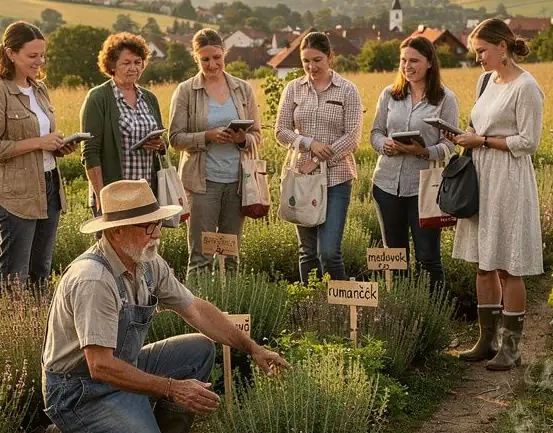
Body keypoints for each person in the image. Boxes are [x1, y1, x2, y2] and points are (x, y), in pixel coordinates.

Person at [42, 179, 288, 433]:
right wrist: (172, 388)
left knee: (199, 348)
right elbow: (99, 366)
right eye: (147, 227)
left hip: (121, 371)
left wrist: (253, 348)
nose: (157, 233)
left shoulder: (146, 263)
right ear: (116, 231)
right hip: (80, 392)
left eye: (157, 223)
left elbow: (196, 309)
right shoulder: (94, 280)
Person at [447, 18, 544, 370]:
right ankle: (486, 340)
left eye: (482, 51)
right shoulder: (486, 80)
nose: (478, 58)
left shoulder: (526, 87)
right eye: (476, 52)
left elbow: (528, 142)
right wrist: (463, 136)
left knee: (507, 265)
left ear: (502, 47)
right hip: (481, 177)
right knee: (482, 263)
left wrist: (483, 141)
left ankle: (512, 347)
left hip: (509, 180)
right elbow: (478, 124)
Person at [0, 21, 67, 293]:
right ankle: (1, 330)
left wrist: (57, 145)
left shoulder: (39, 90)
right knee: (14, 275)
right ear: (10, 53)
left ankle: (38, 330)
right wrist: (39, 142)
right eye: (32, 56)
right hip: (16, 193)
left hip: (49, 186)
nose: (40, 61)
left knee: (41, 269)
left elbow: (41, 140)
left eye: (42, 55)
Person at [169, 28, 261, 274]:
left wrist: (242, 139)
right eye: (205, 59)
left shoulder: (243, 89)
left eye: (216, 58)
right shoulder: (186, 91)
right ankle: (197, 312)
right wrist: (207, 137)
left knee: (231, 256)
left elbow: (258, 136)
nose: (212, 64)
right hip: (202, 184)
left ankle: (229, 311)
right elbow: (175, 139)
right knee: (201, 256)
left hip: (237, 183)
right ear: (195, 58)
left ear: (224, 54)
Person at [370, 34, 459, 290]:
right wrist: (385, 145)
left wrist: (423, 151)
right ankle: (400, 316)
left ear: (430, 63)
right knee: (394, 258)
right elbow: (375, 133)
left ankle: (433, 318)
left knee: (428, 257)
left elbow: (450, 144)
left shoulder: (445, 99)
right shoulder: (389, 94)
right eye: (403, 60)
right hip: (386, 185)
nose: (407, 66)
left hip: (424, 189)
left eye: (414, 61)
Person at [274, 30, 363, 283]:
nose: (311, 67)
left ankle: (340, 308)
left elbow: (353, 137)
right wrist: (308, 143)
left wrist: (321, 159)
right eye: (306, 61)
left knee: (329, 252)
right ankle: (311, 309)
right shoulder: (293, 89)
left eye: (317, 60)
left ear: (330, 57)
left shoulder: (347, 90)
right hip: (302, 177)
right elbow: (281, 131)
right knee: (307, 252)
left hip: (337, 178)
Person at [80, 32, 165, 207]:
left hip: (148, 191)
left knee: (149, 235)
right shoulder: (98, 98)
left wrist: (160, 144)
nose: (133, 68)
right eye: (126, 63)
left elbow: (164, 143)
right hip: (115, 194)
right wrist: (101, 196)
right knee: (117, 236)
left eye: (137, 62)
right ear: (112, 65)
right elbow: (90, 152)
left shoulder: (149, 98)